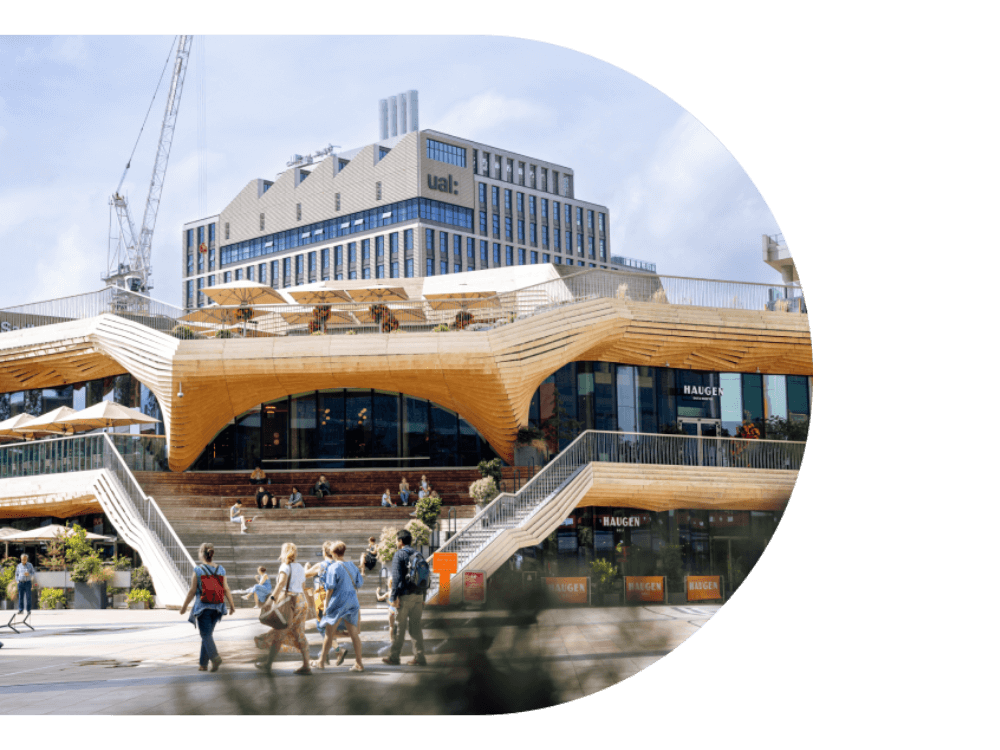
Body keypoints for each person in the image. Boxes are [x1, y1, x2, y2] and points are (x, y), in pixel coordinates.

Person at [254, 542, 311, 675]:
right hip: (300, 601)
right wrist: (309, 604)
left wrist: (271, 599)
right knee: (299, 634)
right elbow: (303, 587)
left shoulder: (285, 566)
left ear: (283, 552)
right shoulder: (300, 567)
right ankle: (306, 665)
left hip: (288, 602)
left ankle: (268, 664)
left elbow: (281, 584)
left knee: (279, 632)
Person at [179, 543, 236, 672]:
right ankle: (203, 664)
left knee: (205, 634)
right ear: (212, 554)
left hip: (203, 608)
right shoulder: (221, 569)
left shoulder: (198, 570)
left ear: (201, 553)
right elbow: (226, 588)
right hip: (217, 608)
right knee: (207, 635)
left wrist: (184, 607)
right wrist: (232, 605)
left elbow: (192, 591)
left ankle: (215, 657)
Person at [313, 541, 365, 672]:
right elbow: (359, 583)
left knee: (328, 634)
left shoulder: (333, 568)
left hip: (338, 601)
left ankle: (321, 662)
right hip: (352, 601)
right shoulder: (352, 565)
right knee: (354, 635)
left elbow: (330, 588)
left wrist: (325, 605)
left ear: (333, 553)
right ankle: (359, 663)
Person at [382, 529, 427, 666]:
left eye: (396, 540)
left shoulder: (399, 554)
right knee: (416, 628)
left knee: (399, 629)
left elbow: (396, 578)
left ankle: (394, 657)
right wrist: (423, 597)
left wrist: (394, 597)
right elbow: (424, 576)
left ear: (401, 541)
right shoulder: (418, 554)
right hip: (418, 596)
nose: (396, 543)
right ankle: (420, 658)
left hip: (404, 597)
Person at [375, 577, 398, 641]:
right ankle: (396, 636)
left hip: (391, 610)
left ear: (389, 584)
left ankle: (391, 638)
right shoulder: (399, 592)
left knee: (391, 626)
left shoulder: (388, 593)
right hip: (398, 610)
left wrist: (377, 592)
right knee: (397, 625)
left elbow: (379, 598)